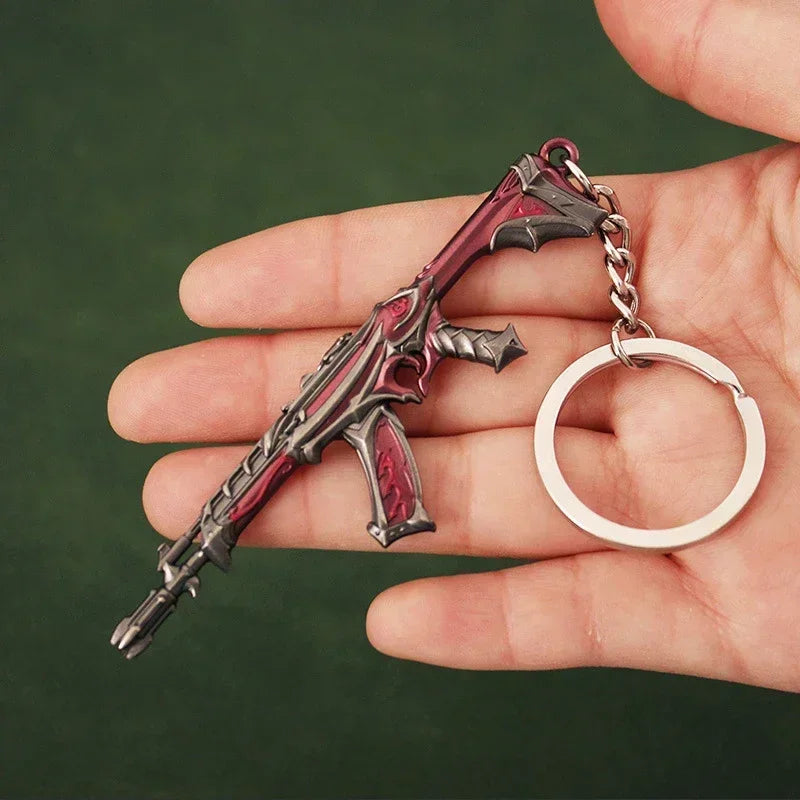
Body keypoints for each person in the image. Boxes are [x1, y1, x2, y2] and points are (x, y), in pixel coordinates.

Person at [107, 0, 800, 693]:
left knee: (375, 414)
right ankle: (392, 497)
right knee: (368, 420)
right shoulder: (389, 342)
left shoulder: (404, 321)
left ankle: (399, 492)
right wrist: (450, 349)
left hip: (384, 349)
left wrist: (458, 345)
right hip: (371, 363)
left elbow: (424, 321)